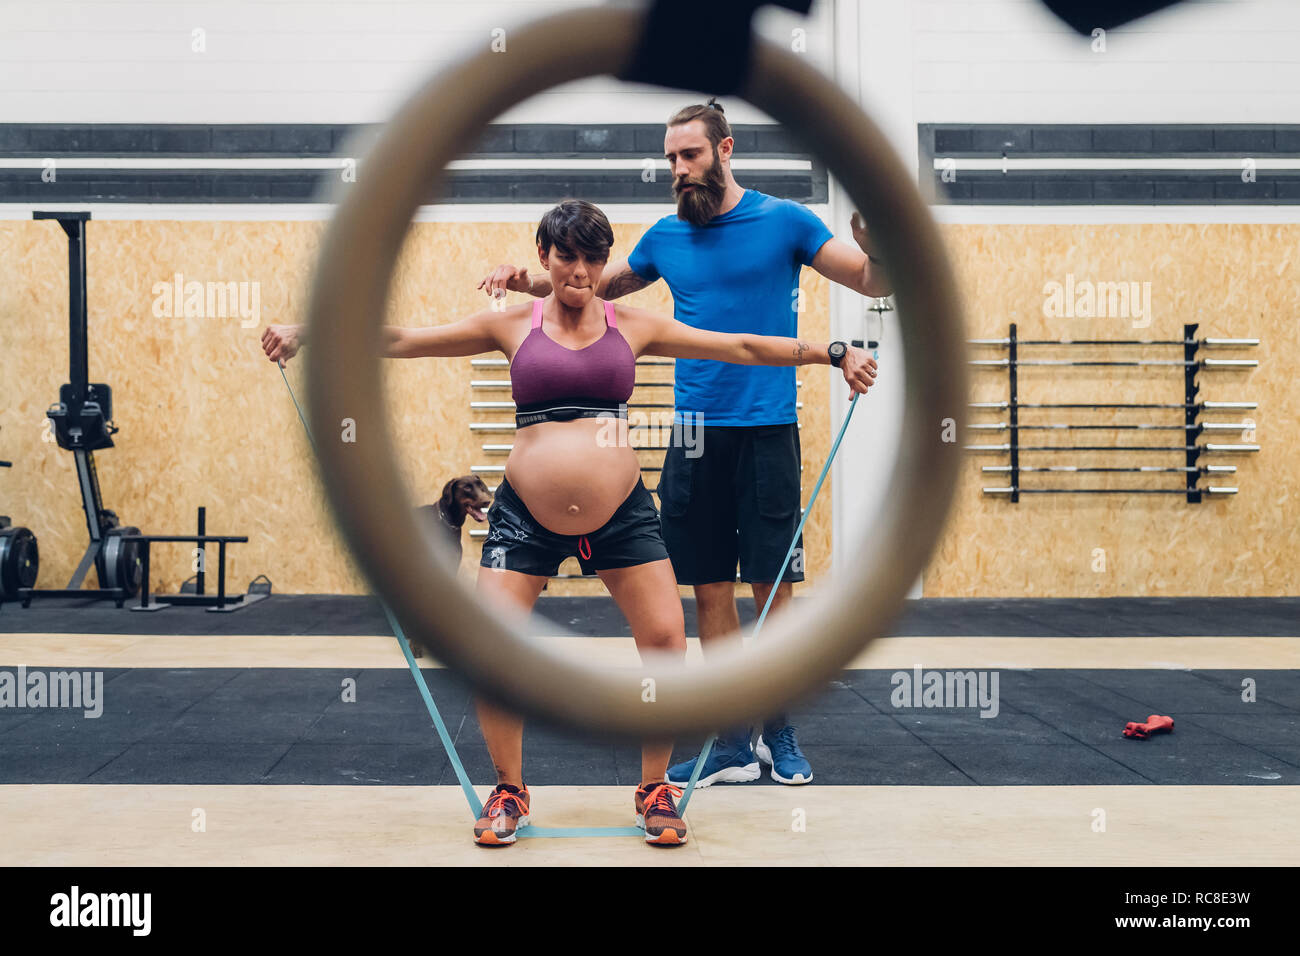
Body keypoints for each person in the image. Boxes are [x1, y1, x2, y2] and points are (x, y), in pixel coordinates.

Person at [264, 199, 876, 845]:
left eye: (593, 258)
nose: (580, 271)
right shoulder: (512, 326)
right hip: (525, 516)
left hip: (623, 516)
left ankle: (654, 789)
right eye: (567, 257)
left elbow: (741, 344)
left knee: (666, 640)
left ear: (604, 262)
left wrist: (831, 351)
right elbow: (403, 339)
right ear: (543, 257)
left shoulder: (633, 323)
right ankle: (510, 790)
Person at [479, 101, 892, 788]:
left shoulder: (786, 221)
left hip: (766, 430)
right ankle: (732, 739)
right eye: (670, 159)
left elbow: (872, 280)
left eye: (689, 156)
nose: (677, 170)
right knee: (707, 588)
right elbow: (587, 292)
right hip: (694, 433)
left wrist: (881, 245)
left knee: (773, 588)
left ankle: (778, 729)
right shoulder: (666, 237)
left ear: (724, 149)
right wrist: (526, 278)